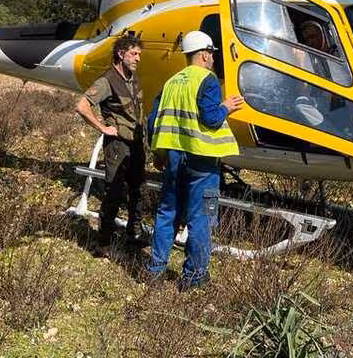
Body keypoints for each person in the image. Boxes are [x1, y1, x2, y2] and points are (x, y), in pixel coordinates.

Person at [147, 31, 244, 288]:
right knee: (201, 218)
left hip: (175, 158)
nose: (212, 58)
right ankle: (194, 276)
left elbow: (152, 121)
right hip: (202, 161)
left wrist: (159, 153)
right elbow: (211, 118)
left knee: (167, 213)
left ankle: (155, 271)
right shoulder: (207, 80)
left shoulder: (172, 82)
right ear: (203, 54)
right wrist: (227, 106)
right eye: (211, 53)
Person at [75, 34, 147, 257]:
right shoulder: (106, 81)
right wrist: (103, 128)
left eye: (139, 55)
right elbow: (82, 105)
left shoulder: (132, 78)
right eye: (134, 54)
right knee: (114, 192)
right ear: (121, 53)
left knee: (139, 190)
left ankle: (134, 235)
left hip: (136, 144)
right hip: (117, 145)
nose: (137, 59)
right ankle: (103, 242)